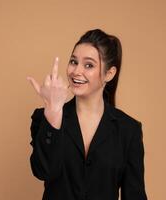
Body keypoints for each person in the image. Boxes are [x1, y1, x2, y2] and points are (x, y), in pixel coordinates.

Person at [27, 29, 148, 200]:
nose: (76, 71)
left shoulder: (128, 130)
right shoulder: (45, 118)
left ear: (109, 74)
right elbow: (44, 171)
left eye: (89, 65)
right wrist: (54, 112)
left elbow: (135, 195)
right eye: (73, 62)